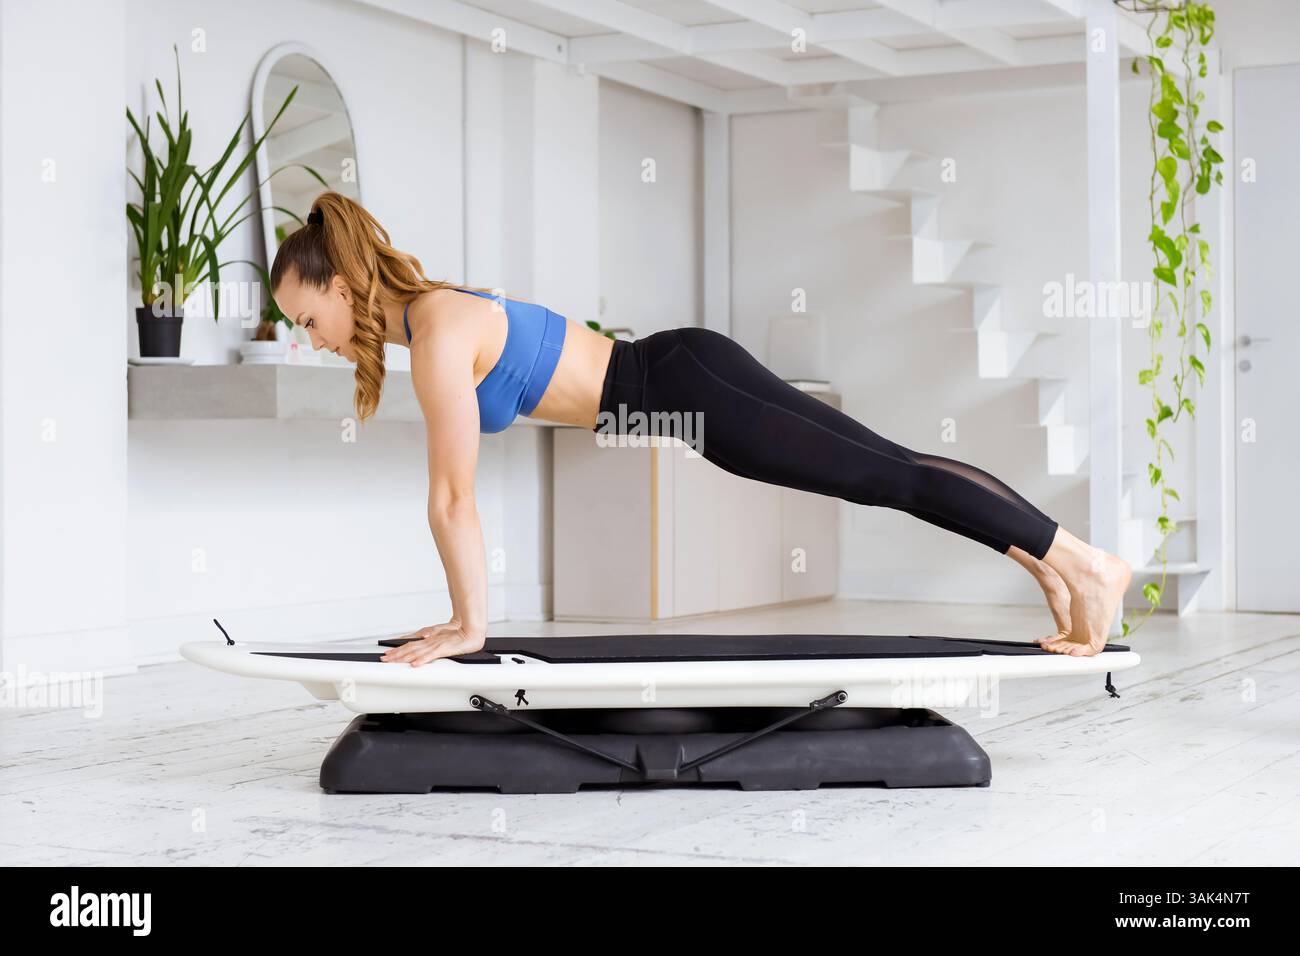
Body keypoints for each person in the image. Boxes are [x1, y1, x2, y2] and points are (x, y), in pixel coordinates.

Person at [270, 191, 1131, 667]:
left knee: (886, 476)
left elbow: (453, 498)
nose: (313, 341)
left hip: (685, 386)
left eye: (309, 320)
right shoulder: (432, 321)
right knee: (889, 467)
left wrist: (469, 625)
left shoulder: (437, 334)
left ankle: (1087, 563)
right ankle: (1047, 562)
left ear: (343, 287)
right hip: (686, 383)